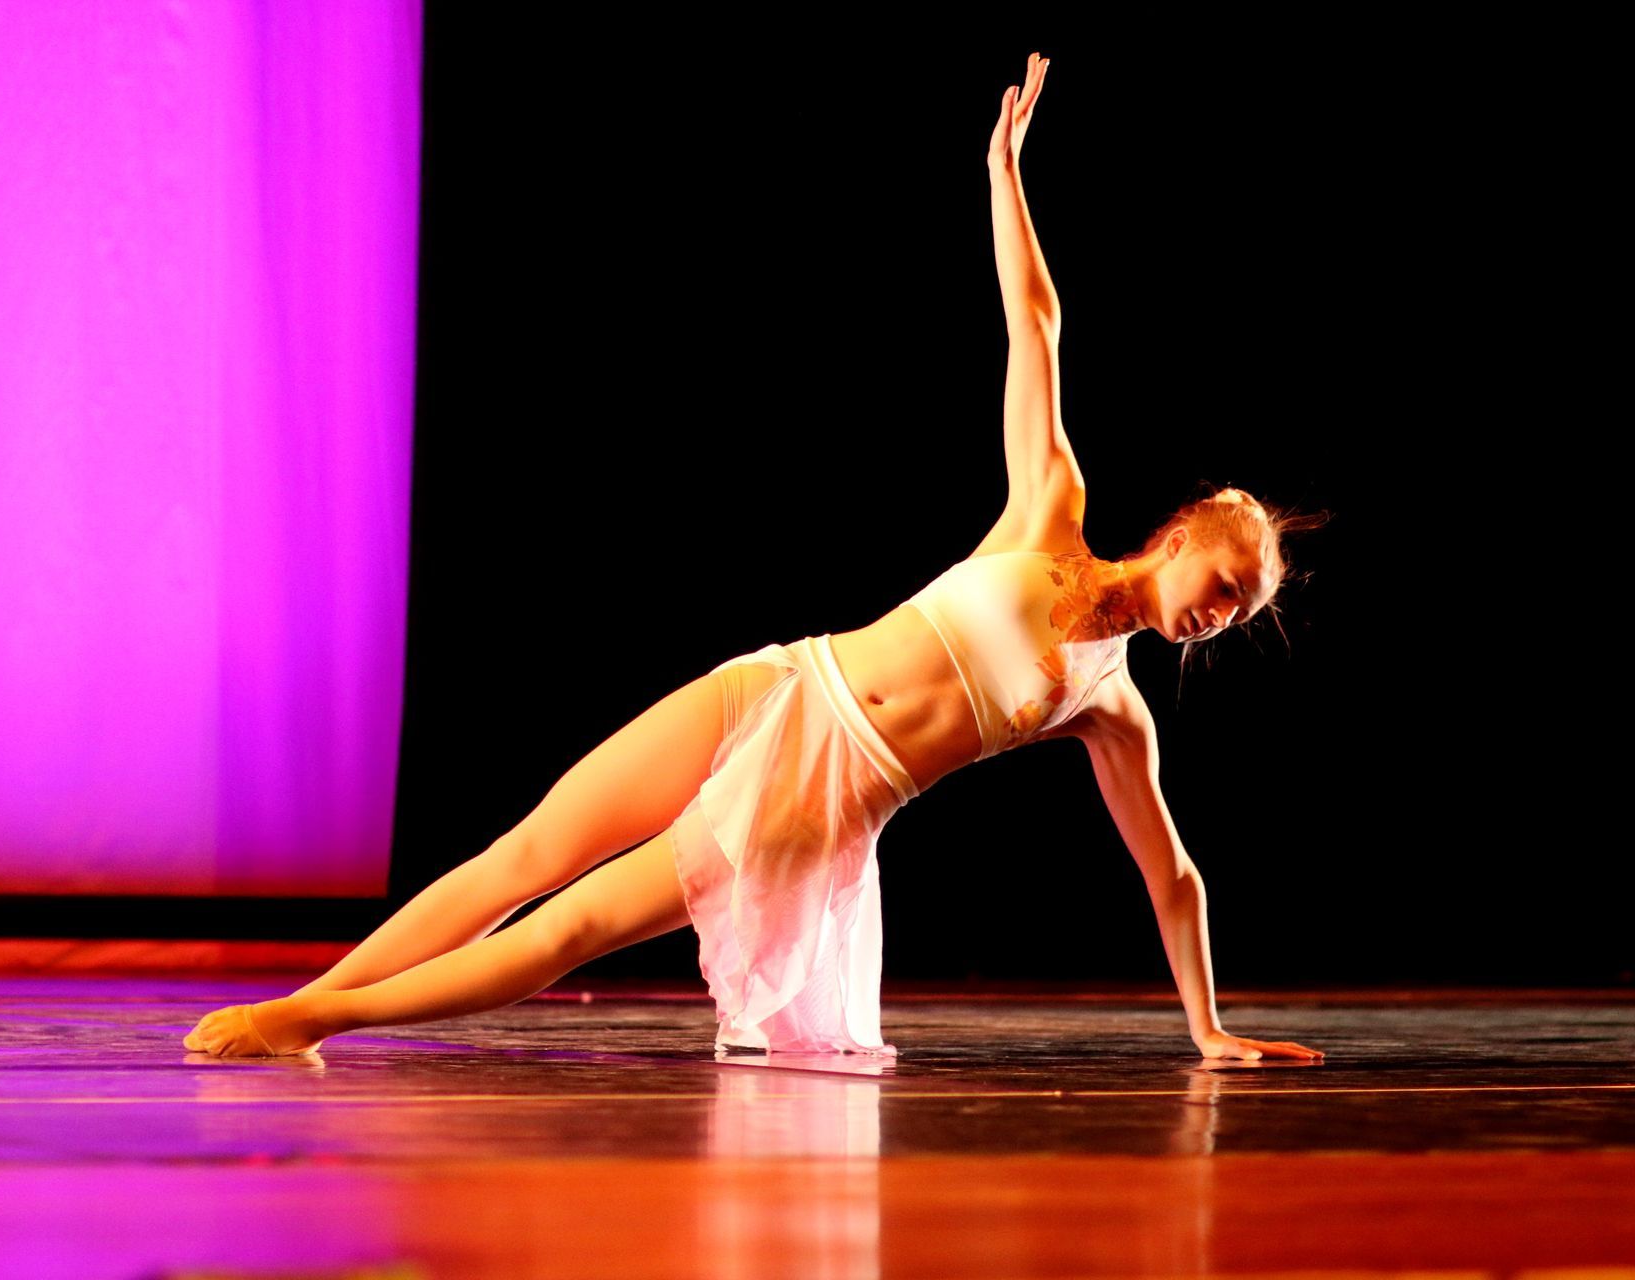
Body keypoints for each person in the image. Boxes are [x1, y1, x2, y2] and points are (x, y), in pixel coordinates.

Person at [185, 52, 1328, 1063]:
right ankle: (304, 1000)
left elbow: (1172, 873)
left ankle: (317, 1021)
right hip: (780, 682)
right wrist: (1003, 172)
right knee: (527, 849)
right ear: (1182, 536)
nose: (1220, 614)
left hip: (822, 791)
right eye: (1224, 585)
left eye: (1238, 613)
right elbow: (1035, 324)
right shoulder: (1048, 509)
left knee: (576, 924)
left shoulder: (1109, 706)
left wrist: (1208, 1025)